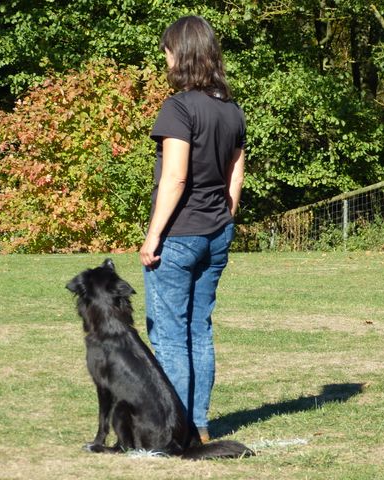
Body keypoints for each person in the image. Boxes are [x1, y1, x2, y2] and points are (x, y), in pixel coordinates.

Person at [140, 16, 246, 444]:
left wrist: (153, 236)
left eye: (167, 52)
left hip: (180, 235)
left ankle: (175, 428)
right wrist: (224, 217)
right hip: (216, 233)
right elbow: (235, 173)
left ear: (180, 55)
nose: (165, 60)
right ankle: (198, 426)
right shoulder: (232, 110)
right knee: (198, 329)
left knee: (169, 334)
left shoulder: (178, 108)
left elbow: (176, 177)